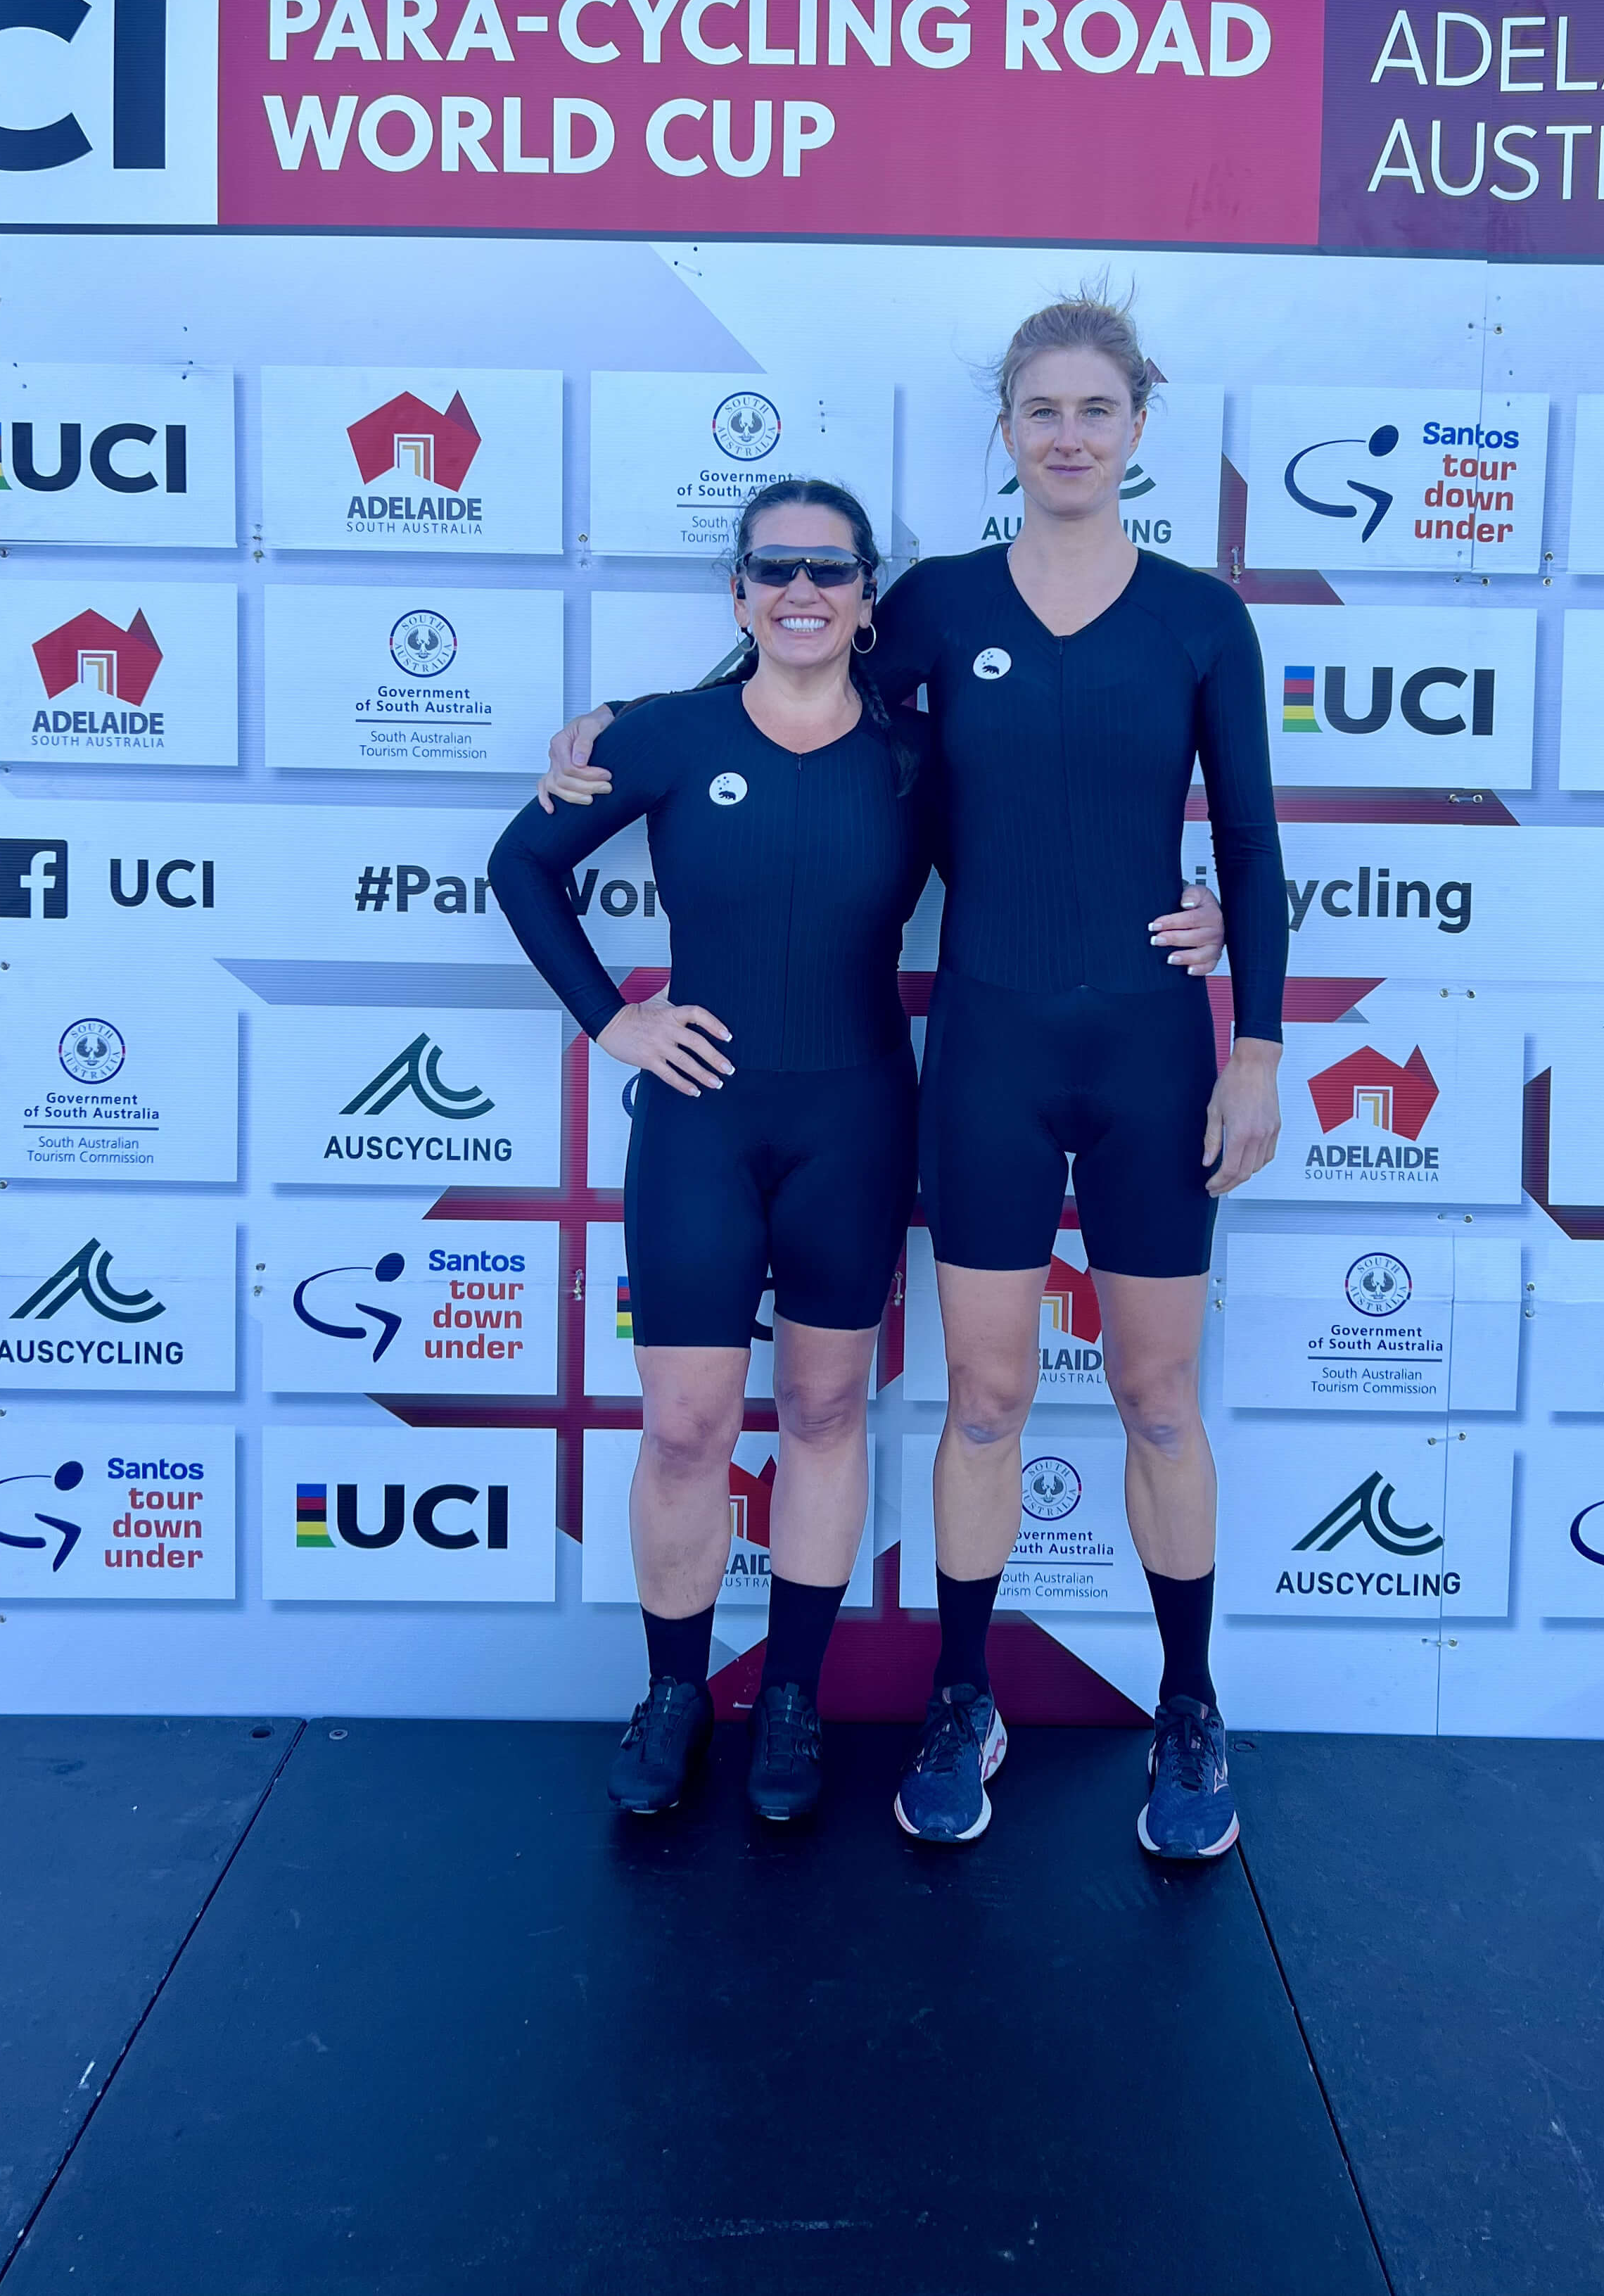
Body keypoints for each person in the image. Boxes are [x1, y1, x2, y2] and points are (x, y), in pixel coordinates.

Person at [542, 292, 1287, 1860]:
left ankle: (1190, 1707)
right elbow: (787, 678)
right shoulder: (939, 605)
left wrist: (1260, 1043)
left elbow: (1254, 849)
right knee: (989, 1398)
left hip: (1157, 1052)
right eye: (1041, 411)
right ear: (1007, 433)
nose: (1069, 435)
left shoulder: (1201, 617)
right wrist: (615, 730)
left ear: (1137, 427)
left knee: (1158, 1396)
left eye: (1096, 410)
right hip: (987, 1056)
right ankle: (964, 1697)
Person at [490, 480, 931, 1825]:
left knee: (819, 1415)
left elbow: (1048, 865)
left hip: (853, 1120)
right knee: (683, 1427)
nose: (802, 590)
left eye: (831, 570)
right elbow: (521, 869)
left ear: (866, 601)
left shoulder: (921, 755)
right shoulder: (669, 735)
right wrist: (611, 1020)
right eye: (774, 567)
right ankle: (675, 1690)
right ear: (736, 593)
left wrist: (1198, 913)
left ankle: (791, 1696)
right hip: (701, 1121)